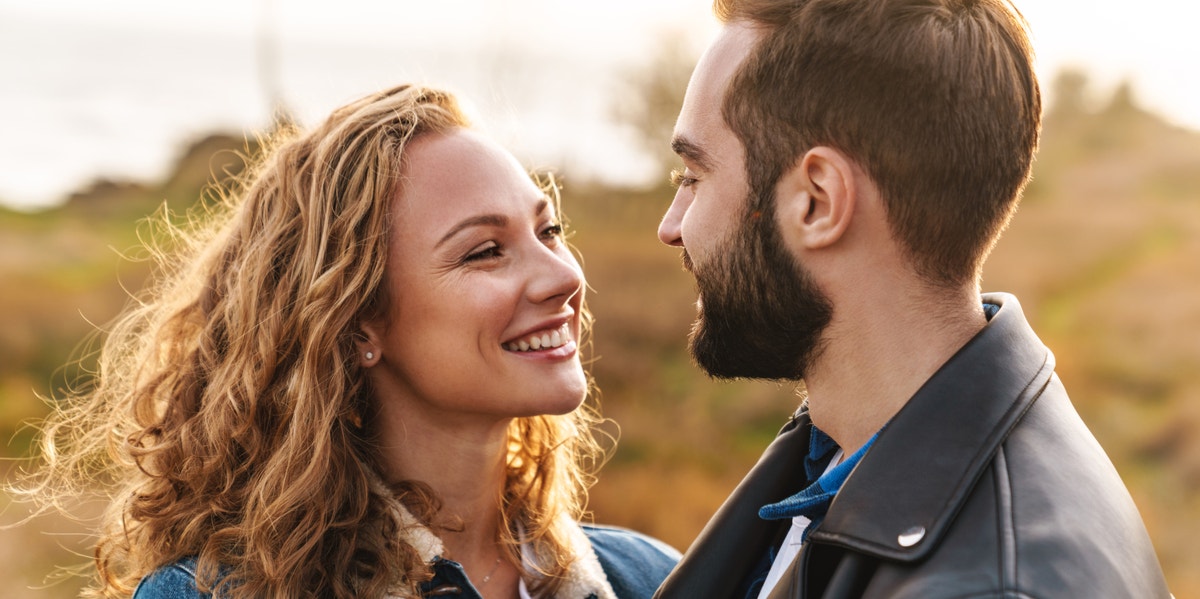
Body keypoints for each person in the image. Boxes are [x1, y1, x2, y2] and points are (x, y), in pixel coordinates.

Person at [20, 84, 678, 599]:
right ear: (359, 321)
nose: (563, 275)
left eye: (550, 229)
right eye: (485, 251)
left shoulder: (661, 578)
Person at [651, 0, 1171, 597]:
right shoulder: (838, 451)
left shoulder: (990, 586)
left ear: (816, 202)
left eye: (692, 177)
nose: (672, 225)